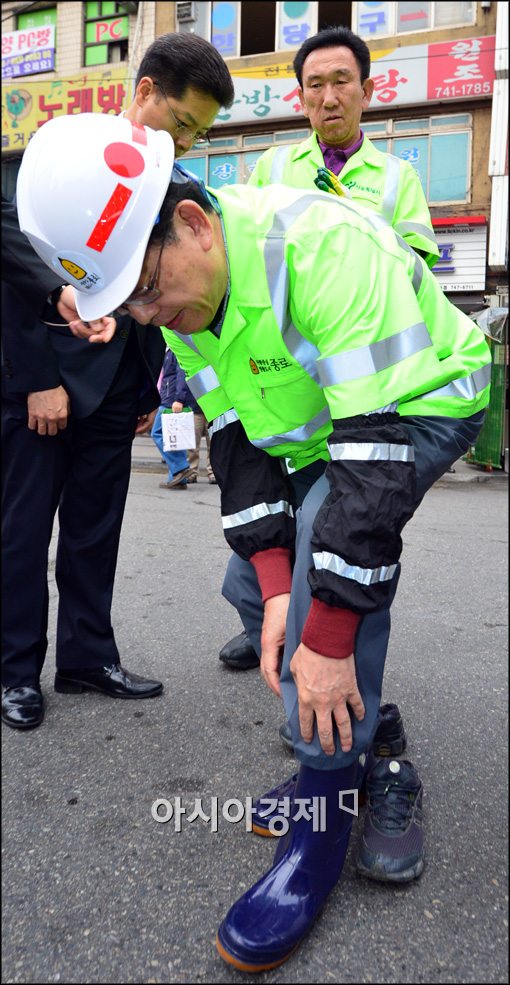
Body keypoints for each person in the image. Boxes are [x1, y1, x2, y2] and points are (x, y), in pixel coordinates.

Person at [19, 112, 490, 969]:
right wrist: (274, 592)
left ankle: (324, 804)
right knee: (257, 587)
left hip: (422, 400)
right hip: (320, 430)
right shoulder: (177, 300)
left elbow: (372, 462)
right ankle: (364, 734)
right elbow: (235, 446)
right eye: (128, 303)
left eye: (148, 291)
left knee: (329, 570)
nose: (148, 315)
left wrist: (328, 631)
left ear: (193, 223)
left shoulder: (322, 248)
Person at [1, 34, 234, 731]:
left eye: (202, 132)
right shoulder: (64, 155)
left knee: (94, 533)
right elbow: (11, 254)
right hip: (42, 384)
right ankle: (15, 670)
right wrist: (39, 378)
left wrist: (140, 392)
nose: (188, 141)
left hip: (113, 392)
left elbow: (163, 299)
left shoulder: (180, 188)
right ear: (144, 92)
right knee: (21, 533)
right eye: (183, 122)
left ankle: (86, 658)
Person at [221, 24, 440, 673]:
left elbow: (419, 281)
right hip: (277, 388)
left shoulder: (397, 178)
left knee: (332, 534)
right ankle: (266, 623)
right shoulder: (273, 168)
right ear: (301, 96)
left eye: (341, 81)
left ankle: (330, 671)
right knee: (252, 545)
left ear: (367, 90)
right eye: (314, 84)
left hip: (350, 397)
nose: (328, 96)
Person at [152, 347, 193, 490]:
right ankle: (178, 479)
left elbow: (182, 373)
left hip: (171, 400)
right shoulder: (169, 349)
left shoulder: (175, 348)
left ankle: (181, 467)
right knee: (175, 438)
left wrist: (179, 399)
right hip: (169, 397)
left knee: (157, 433)